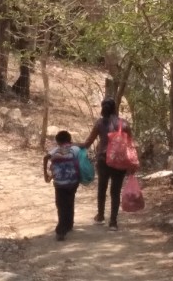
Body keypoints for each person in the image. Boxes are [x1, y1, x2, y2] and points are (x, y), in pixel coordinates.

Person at [79, 98, 131, 231]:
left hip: (103, 160)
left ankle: (101, 216)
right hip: (119, 161)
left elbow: (87, 143)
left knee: (102, 188)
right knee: (115, 191)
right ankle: (113, 222)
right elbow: (131, 145)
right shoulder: (124, 124)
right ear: (115, 108)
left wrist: (71, 145)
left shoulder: (100, 124)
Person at [43, 130, 81, 241]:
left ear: (57, 141)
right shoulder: (76, 149)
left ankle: (61, 230)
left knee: (61, 205)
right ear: (70, 140)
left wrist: (46, 174)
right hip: (73, 181)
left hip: (59, 183)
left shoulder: (55, 150)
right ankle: (69, 224)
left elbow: (46, 158)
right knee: (70, 201)